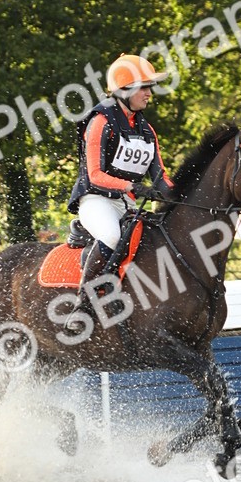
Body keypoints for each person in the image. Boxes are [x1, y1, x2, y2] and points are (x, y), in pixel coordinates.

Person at [65, 54, 175, 325]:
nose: (149, 94)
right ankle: (83, 304)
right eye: (144, 87)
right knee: (114, 236)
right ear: (124, 90)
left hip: (126, 203)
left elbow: (160, 175)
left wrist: (181, 195)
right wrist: (134, 186)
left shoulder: (147, 129)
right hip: (96, 200)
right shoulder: (101, 121)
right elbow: (95, 174)